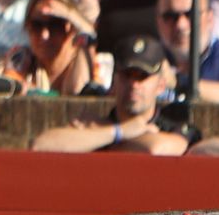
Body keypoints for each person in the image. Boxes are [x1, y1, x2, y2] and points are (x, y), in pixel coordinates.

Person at [31, 33, 194, 153]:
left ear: (160, 86)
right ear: (114, 81)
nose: (134, 84)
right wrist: (118, 131)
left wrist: (92, 138)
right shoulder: (103, 127)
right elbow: (41, 145)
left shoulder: (174, 126)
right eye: (126, 75)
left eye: (142, 77)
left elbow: (157, 150)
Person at [7, 0, 97, 95]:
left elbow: (77, 91)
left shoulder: (90, 61)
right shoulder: (22, 59)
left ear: (72, 28)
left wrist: (72, 15)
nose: (44, 35)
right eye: (37, 25)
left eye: (55, 25)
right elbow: (4, 89)